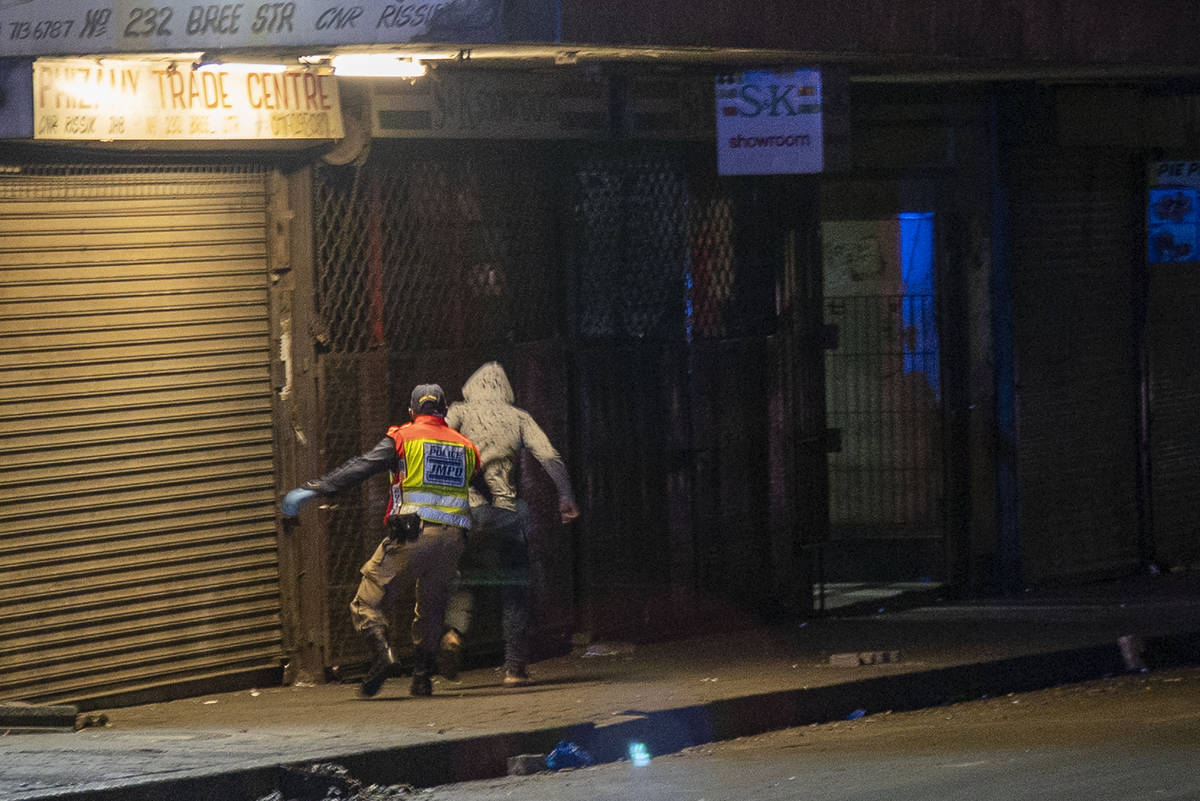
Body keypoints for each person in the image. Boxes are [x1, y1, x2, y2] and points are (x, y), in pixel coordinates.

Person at [280, 384, 485, 698]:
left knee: (365, 601)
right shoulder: (466, 446)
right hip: (454, 540)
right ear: (444, 412)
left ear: (412, 411)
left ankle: (384, 655)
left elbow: (361, 467)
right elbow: (481, 488)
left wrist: (315, 489)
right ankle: (421, 678)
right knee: (431, 607)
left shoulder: (403, 438)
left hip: (413, 534)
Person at [440, 362, 580, 687]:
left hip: (468, 512)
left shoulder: (460, 411)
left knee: (465, 581)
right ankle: (514, 669)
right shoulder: (519, 418)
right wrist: (566, 496)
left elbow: (439, 443)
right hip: (506, 515)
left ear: (472, 387)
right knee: (515, 589)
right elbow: (550, 457)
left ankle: (453, 634)